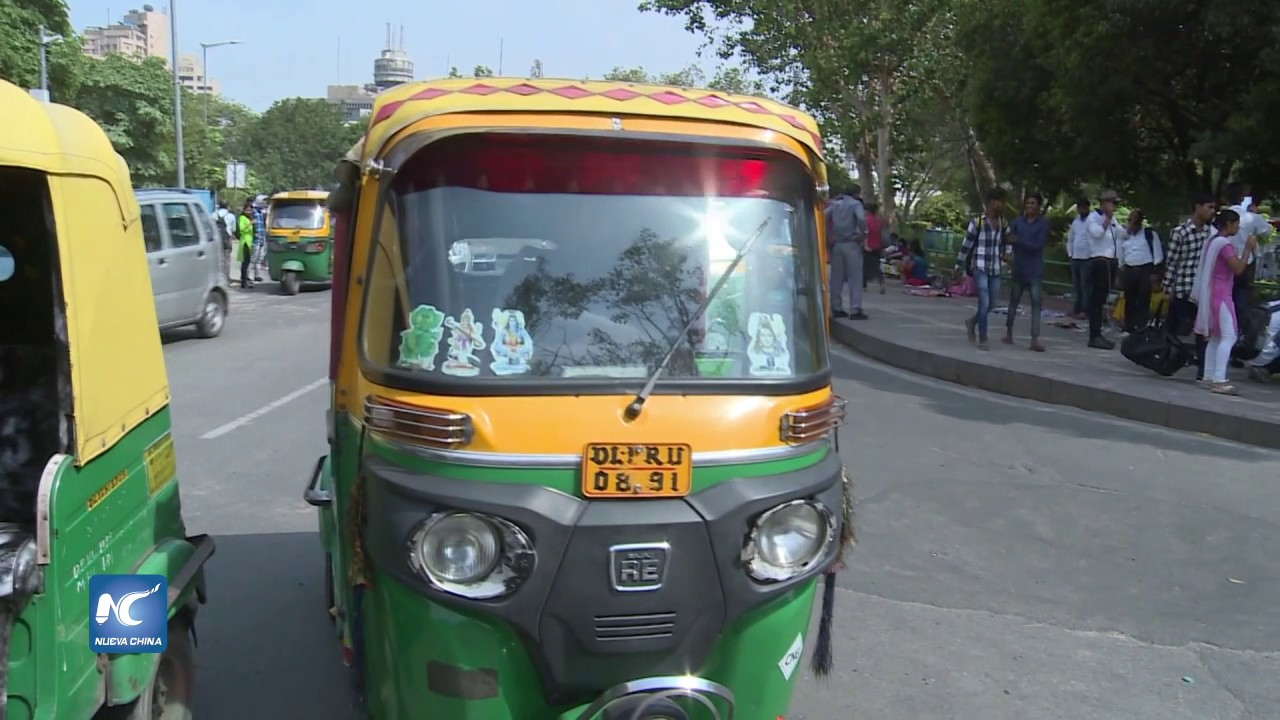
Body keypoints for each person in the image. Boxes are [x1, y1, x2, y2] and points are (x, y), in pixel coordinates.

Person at [1195, 209, 1258, 395]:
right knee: (1229, 336)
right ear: (1229, 224)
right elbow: (1238, 269)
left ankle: (1208, 375)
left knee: (1216, 336)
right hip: (1222, 293)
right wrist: (1247, 250)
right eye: (1237, 224)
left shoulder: (1212, 242)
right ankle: (1219, 379)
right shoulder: (1224, 245)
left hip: (1213, 292)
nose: (1238, 227)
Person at [1164, 192, 1216, 380]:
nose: (1212, 211)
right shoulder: (1180, 232)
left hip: (1202, 290)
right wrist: (1167, 288)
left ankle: (1203, 370)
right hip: (1182, 288)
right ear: (1198, 206)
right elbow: (1172, 262)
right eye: (1209, 207)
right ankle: (1166, 361)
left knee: (1202, 331)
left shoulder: (1210, 233)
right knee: (1174, 328)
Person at [956, 187, 1009, 350]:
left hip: (995, 267)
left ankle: (972, 322)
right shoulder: (977, 222)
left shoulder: (1003, 223)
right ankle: (983, 338)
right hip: (979, 266)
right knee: (984, 302)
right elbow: (966, 246)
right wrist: (958, 266)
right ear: (991, 203)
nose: (1002, 205)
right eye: (1000, 201)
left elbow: (1007, 242)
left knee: (993, 303)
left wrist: (1007, 254)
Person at [1224, 183, 1272, 339]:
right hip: (1246, 264)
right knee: (1242, 297)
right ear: (1243, 198)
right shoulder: (1252, 218)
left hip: (1224, 263)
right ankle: (1240, 333)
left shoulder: (1220, 217)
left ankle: (1224, 330)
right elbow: (1267, 231)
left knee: (1224, 298)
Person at [1005, 192, 1050, 351]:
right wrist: (1010, 249)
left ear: (1038, 206)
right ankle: (1008, 332)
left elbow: (1037, 245)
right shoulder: (1017, 222)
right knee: (1013, 302)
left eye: (1033, 203)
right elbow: (1009, 238)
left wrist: (1019, 241)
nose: (1030, 206)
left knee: (1036, 304)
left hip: (1034, 269)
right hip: (1019, 267)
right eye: (1028, 203)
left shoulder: (1043, 224)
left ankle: (1034, 338)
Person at [1083, 190, 1122, 349]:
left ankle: (1099, 333)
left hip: (1110, 261)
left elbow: (1121, 234)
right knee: (1097, 300)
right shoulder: (1093, 218)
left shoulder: (1114, 220)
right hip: (1099, 261)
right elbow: (1097, 234)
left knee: (1103, 298)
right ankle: (1094, 335)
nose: (1114, 207)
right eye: (1112, 203)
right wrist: (1106, 218)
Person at [1116, 209, 1164, 333]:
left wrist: (1155, 272)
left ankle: (1141, 326)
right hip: (1129, 268)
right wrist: (1120, 268)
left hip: (1145, 268)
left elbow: (1157, 253)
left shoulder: (1149, 234)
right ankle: (1129, 326)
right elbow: (1120, 252)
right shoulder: (1124, 235)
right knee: (1129, 298)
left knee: (1144, 297)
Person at [825, 185, 868, 320]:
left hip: (837, 244)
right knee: (855, 277)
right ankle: (855, 309)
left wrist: (829, 234)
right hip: (852, 243)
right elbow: (861, 218)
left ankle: (836, 307)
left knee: (836, 278)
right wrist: (863, 232)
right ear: (857, 193)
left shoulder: (836, 204)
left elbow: (825, 216)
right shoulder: (855, 204)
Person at [1067, 197, 1092, 319]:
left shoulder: (1092, 221)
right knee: (1077, 285)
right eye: (1079, 207)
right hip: (1075, 257)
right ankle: (1076, 309)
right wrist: (1070, 254)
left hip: (1087, 257)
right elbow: (1070, 239)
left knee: (1086, 285)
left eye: (1083, 207)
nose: (1081, 209)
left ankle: (1085, 310)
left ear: (1087, 208)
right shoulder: (1076, 222)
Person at [1247, 299, 1280, 383]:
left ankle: (1260, 366)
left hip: (1249, 349)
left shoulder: (1271, 305)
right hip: (1263, 356)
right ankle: (1264, 368)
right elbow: (1276, 344)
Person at [862, 201, 886, 295]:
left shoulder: (866, 220)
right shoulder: (879, 220)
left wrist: (865, 245)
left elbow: (865, 234)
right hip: (878, 246)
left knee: (864, 266)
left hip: (869, 245)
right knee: (876, 266)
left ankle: (863, 285)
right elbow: (881, 234)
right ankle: (881, 282)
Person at [237, 200, 255, 289]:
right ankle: (243, 282)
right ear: (244, 210)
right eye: (247, 210)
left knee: (247, 263)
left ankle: (245, 280)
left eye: (250, 210)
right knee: (245, 263)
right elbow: (242, 229)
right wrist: (250, 224)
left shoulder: (250, 218)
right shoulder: (242, 218)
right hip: (245, 242)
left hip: (250, 242)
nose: (249, 212)